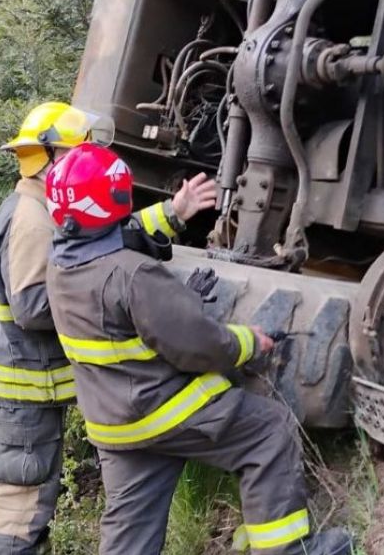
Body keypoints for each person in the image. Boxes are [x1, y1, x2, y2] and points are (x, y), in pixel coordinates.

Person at [43, 142, 353, 555]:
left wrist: (174, 212)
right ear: (118, 194)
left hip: (114, 424)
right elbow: (199, 345)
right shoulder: (134, 276)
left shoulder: (61, 265)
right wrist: (248, 343)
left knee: (129, 530)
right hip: (165, 411)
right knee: (269, 430)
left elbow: (124, 236)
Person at [0, 102, 217, 554]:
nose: (83, 165)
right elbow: (31, 307)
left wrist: (174, 212)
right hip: (23, 391)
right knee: (21, 501)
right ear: (47, 157)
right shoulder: (31, 220)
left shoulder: (45, 207)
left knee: (32, 497)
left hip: (30, 387)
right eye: (74, 156)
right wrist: (99, 298)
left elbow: (104, 238)